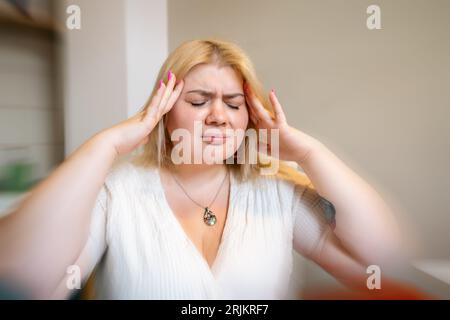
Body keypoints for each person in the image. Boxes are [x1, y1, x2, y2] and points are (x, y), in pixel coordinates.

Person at [0, 39, 402, 299]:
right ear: (164, 113)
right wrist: (104, 146)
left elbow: (378, 262)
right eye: (198, 101)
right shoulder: (117, 194)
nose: (218, 117)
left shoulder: (277, 193)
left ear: (250, 118)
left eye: (233, 103)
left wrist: (310, 153)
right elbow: (25, 282)